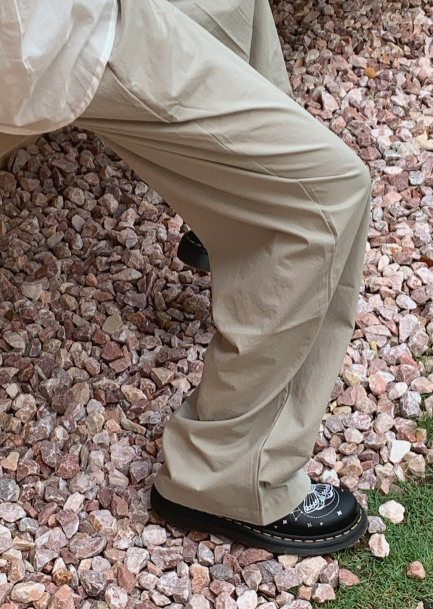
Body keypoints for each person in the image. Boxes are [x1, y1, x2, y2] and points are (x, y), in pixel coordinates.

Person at [0, 0, 371, 555]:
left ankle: (234, 204)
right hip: (54, 38)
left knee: (234, 7)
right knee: (328, 198)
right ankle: (227, 476)